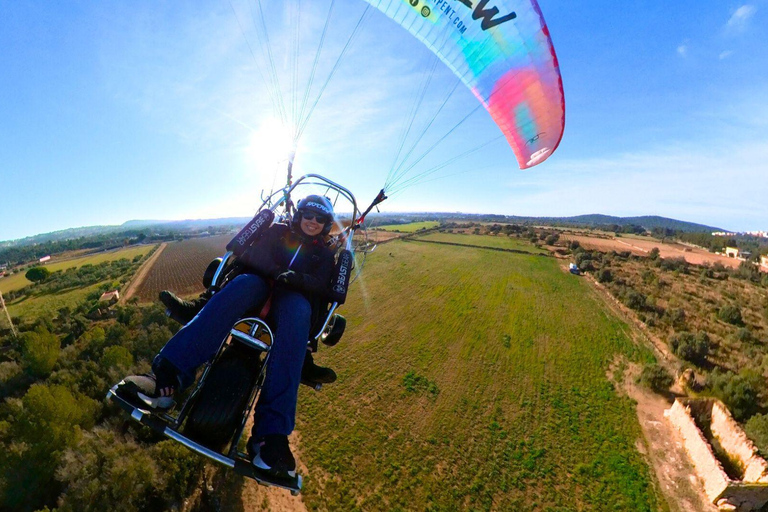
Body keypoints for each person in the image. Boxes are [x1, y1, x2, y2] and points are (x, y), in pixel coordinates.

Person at [116, 195, 338, 477]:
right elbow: (255, 255)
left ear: (326, 224)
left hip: (292, 302)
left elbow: (320, 285)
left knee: (298, 312)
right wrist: (278, 272)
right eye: (308, 215)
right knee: (243, 284)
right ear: (299, 215)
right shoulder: (278, 231)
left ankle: (270, 438)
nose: (313, 222)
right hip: (258, 286)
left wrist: (294, 280)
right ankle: (165, 379)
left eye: (320, 219)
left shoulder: (326, 255)